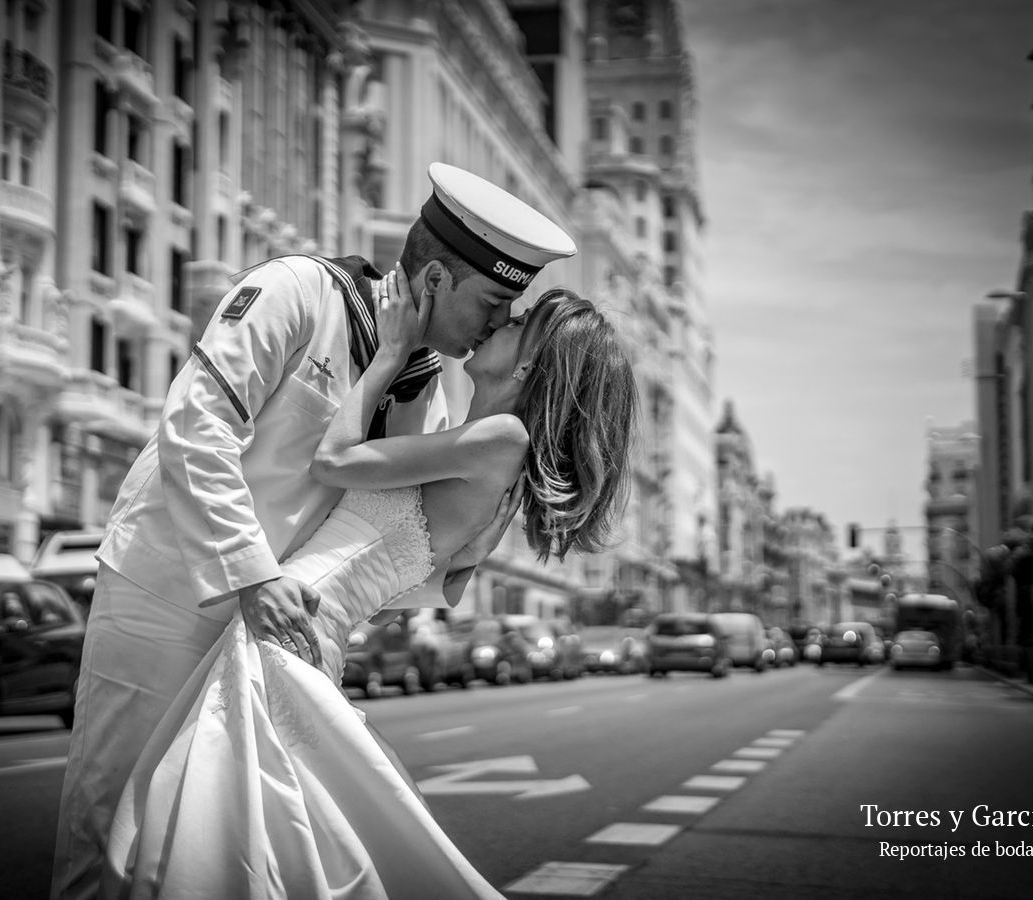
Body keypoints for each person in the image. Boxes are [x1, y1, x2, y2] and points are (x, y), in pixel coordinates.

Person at [51, 163, 579, 899]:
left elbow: (375, 533)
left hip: (273, 632)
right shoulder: (297, 290)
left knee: (233, 850)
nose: (498, 322)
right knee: (114, 831)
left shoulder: (425, 393)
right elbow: (196, 424)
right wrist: (251, 572)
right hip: (168, 594)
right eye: (493, 301)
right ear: (432, 280)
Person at [101, 278, 637, 898]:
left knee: (219, 833)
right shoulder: (485, 444)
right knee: (255, 832)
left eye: (518, 325)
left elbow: (333, 463)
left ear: (530, 367)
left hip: (284, 628)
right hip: (302, 626)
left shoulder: (501, 440)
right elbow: (438, 582)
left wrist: (390, 351)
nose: (499, 322)